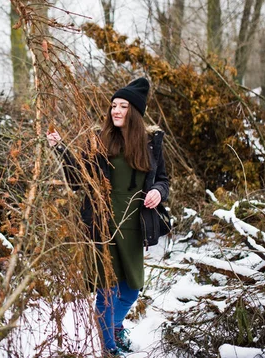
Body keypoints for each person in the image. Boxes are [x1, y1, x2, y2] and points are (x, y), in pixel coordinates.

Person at [47, 77, 170, 357]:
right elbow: (78, 179)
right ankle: (109, 349)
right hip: (102, 225)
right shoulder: (98, 140)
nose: (115, 110)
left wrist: (158, 193)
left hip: (134, 225)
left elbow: (162, 179)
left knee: (132, 289)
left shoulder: (151, 143)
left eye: (123, 106)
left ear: (135, 112)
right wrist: (60, 148)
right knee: (107, 290)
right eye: (113, 105)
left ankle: (113, 327)